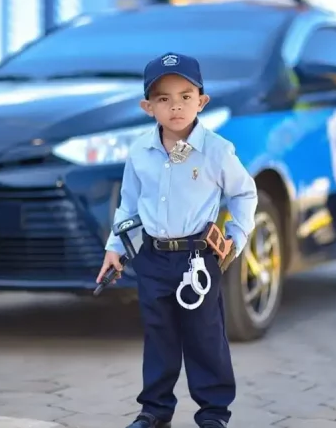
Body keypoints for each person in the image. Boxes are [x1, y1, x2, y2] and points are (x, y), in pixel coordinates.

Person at [97, 52, 257, 428]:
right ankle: (155, 410)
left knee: (205, 336)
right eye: (164, 99)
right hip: (153, 257)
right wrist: (115, 249)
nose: (176, 106)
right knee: (159, 335)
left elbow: (244, 193)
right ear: (147, 106)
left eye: (186, 96)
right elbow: (129, 205)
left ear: (202, 101)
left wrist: (236, 237)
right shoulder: (139, 152)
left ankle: (213, 413)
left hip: (198, 260)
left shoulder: (216, 150)